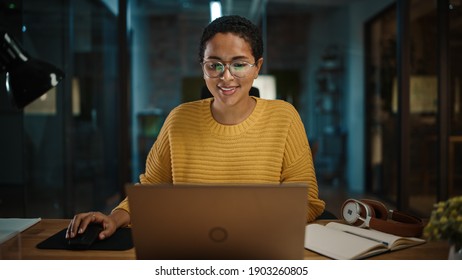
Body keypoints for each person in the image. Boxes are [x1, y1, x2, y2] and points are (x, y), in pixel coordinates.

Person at [66, 15, 325, 241]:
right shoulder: (179, 119)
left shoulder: (284, 117)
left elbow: (307, 201)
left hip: (262, 246)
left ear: (257, 67)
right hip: (191, 248)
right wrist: (115, 217)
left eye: (239, 64)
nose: (226, 77)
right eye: (214, 65)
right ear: (202, 67)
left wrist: (258, 225)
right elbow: (152, 190)